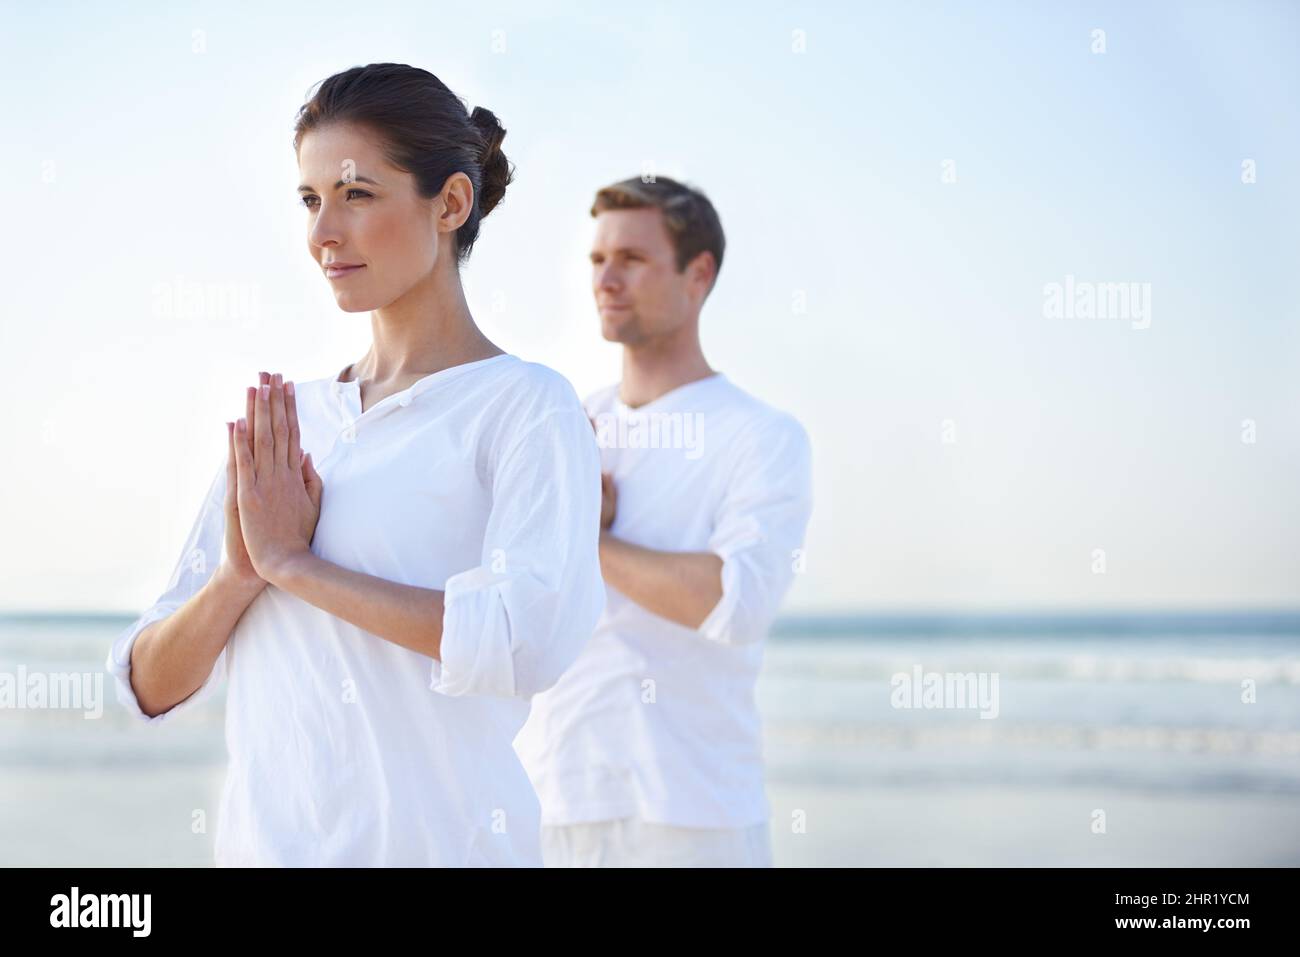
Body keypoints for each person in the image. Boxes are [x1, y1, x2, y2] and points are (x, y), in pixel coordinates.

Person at [104, 63, 605, 866]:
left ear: (449, 203)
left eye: (355, 194)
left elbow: (525, 643)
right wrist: (240, 576)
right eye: (309, 201)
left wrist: (294, 566)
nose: (321, 234)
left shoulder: (525, 407)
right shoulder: (286, 419)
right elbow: (145, 685)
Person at [513, 176, 814, 867]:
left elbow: (732, 602)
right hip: (549, 800)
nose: (606, 278)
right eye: (597, 260)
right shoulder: (566, 425)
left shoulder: (762, 435)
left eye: (633, 258)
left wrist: (585, 537)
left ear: (697, 274)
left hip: (692, 816)